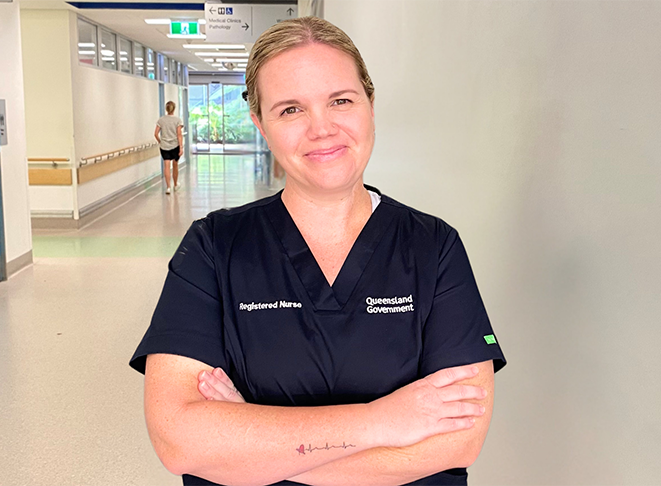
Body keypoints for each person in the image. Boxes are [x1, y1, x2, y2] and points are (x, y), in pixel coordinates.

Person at [130, 16, 506, 486]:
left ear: (370, 105)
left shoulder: (434, 247)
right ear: (260, 125)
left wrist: (255, 446)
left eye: (341, 101)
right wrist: (383, 421)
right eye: (290, 109)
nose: (321, 128)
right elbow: (179, 441)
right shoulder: (213, 247)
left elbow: (459, 440)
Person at [155, 101, 183, 194]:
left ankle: (168, 187)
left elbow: (155, 134)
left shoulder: (161, 120)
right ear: (174, 109)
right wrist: (181, 147)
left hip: (164, 146)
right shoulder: (177, 120)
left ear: (166, 109)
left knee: (166, 166)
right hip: (175, 146)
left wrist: (161, 142)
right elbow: (179, 135)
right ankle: (175, 185)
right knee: (175, 165)